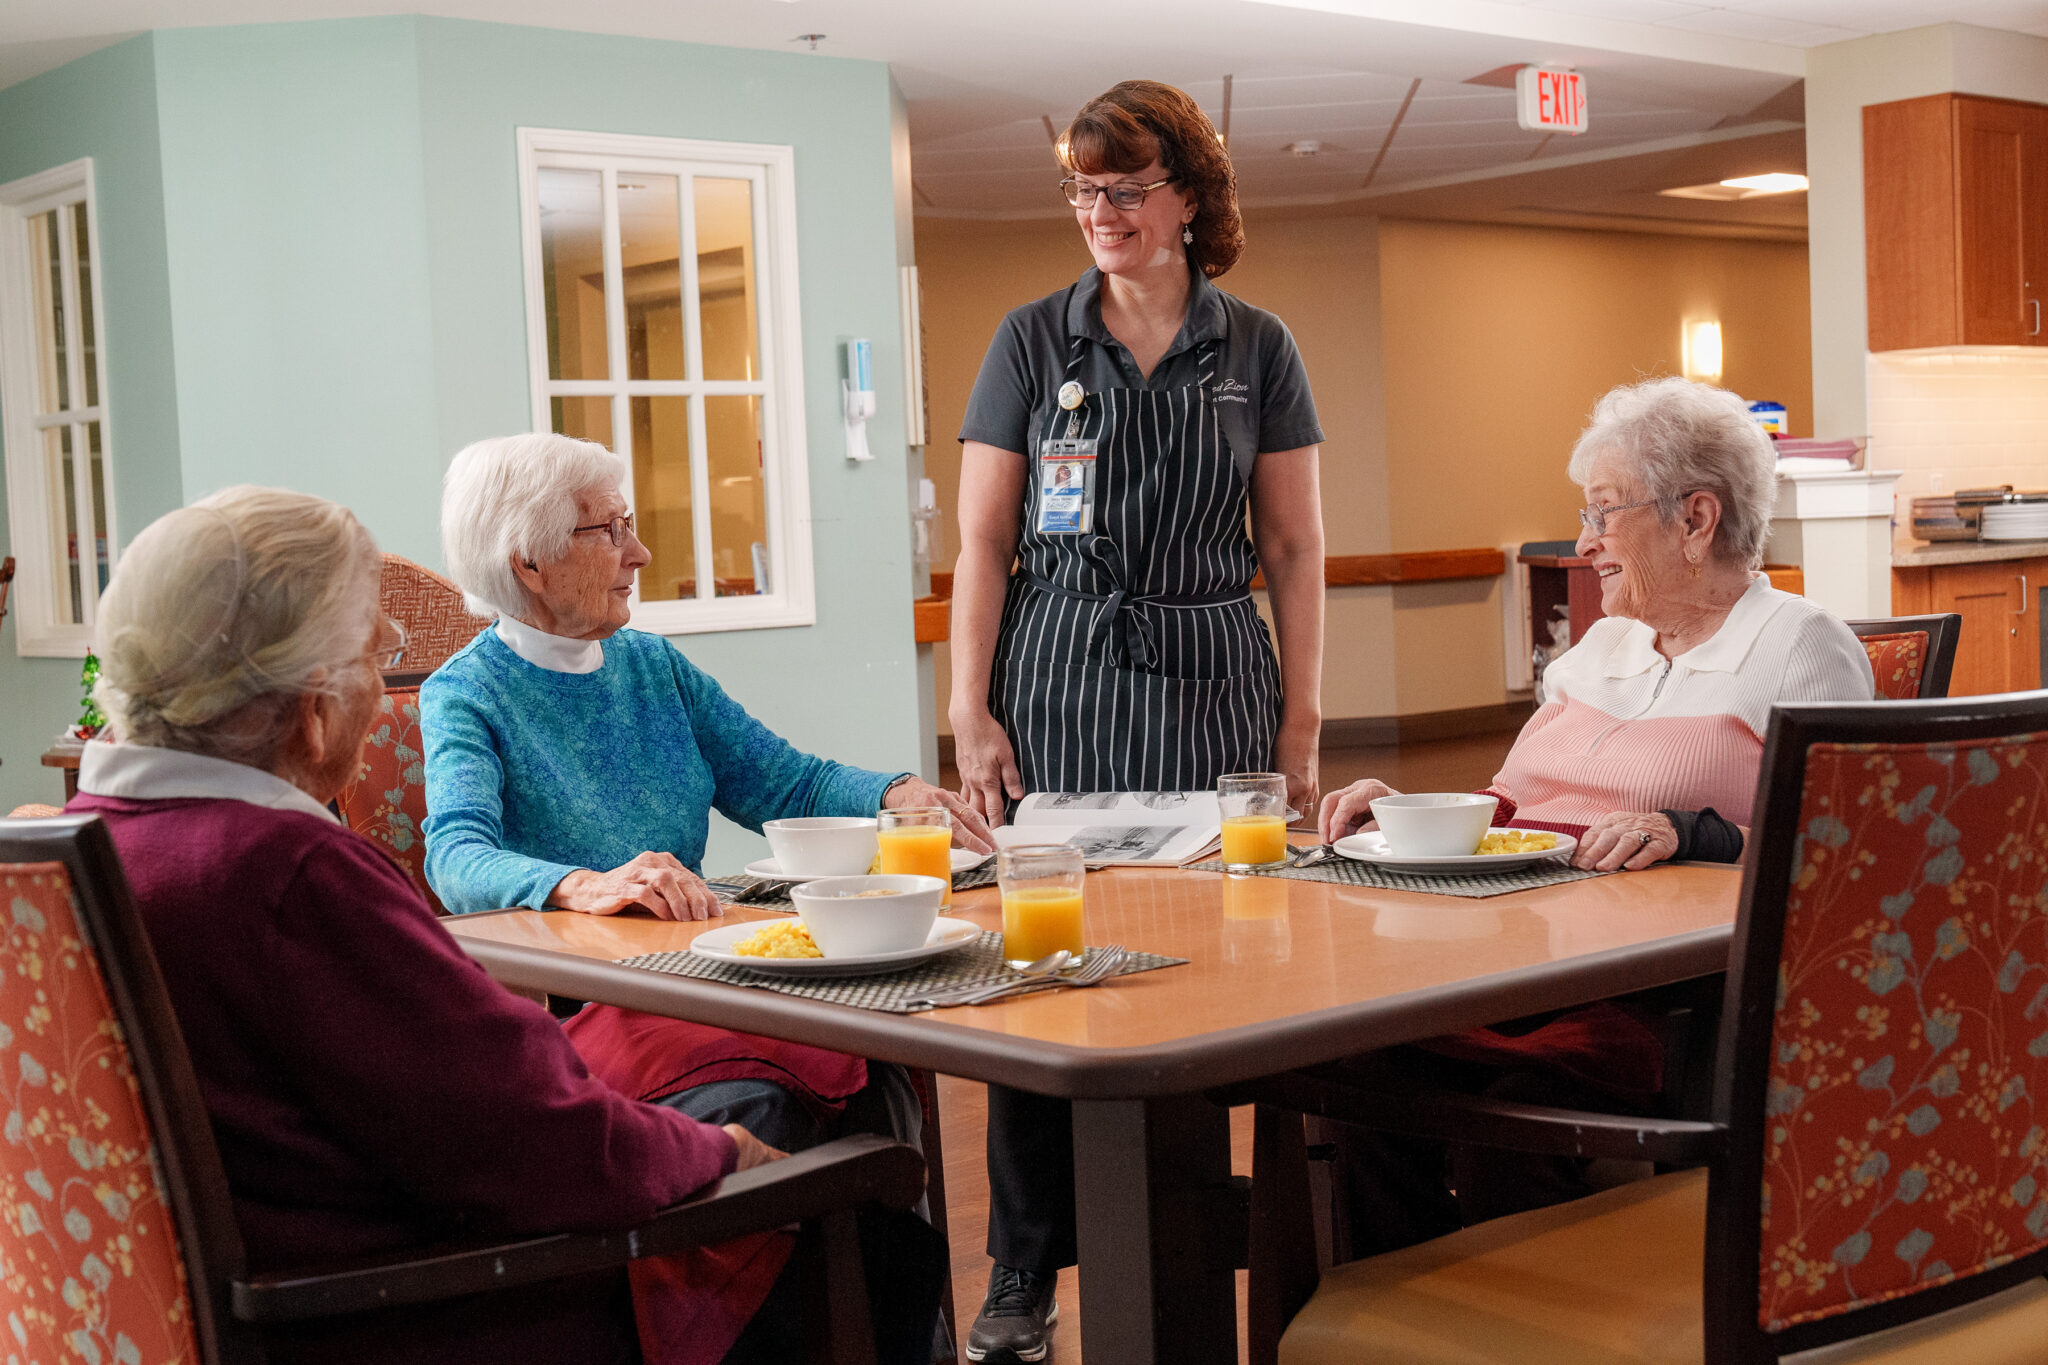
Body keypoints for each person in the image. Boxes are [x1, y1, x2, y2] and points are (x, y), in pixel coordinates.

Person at [66, 485, 944, 1365]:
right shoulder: (286, 874)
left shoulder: (81, 853)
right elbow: (544, 1145)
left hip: (257, 1300)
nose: (381, 696)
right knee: (844, 1170)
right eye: (374, 661)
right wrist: (724, 1153)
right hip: (431, 1310)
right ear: (311, 699)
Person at [1314, 376, 1876, 1255]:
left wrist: (1692, 831)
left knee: (1503, 1121)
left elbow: (1849, 861)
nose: (1584, 543)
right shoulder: (1603, 645)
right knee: (1360, 1076)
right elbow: (1517, 800)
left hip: (1649, 999)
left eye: (1605, 513)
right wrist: (1411, 810)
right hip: (1510, 959)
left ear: (1695, 519)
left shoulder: (1800, 646)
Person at [947, 80, 1327, 1363]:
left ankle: (1214, 1226)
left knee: (1221, 955)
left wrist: (1302, 725)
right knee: (1038, 975)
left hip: (1216, 667)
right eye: (1080, 189)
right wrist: (969, 711)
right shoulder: (1031, 341)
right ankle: (1016, 1270)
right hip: (1057, 672)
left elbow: (1292, 544)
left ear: (1186, 198)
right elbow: (984, 544)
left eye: (1122, 188)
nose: (1098, 212)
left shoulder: (1256, 347)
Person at [422, 432, 990, 1176]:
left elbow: (786, 783)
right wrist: (582, 883)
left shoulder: (653, 665)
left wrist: (896, 793)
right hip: (591, 1006)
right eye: (610, 529)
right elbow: (455, 858)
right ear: (528, 560)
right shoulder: (467, 692)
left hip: (694, 980)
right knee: (777, 1095)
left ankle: (889, 1293)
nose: (640, 554)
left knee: (878, 1057)